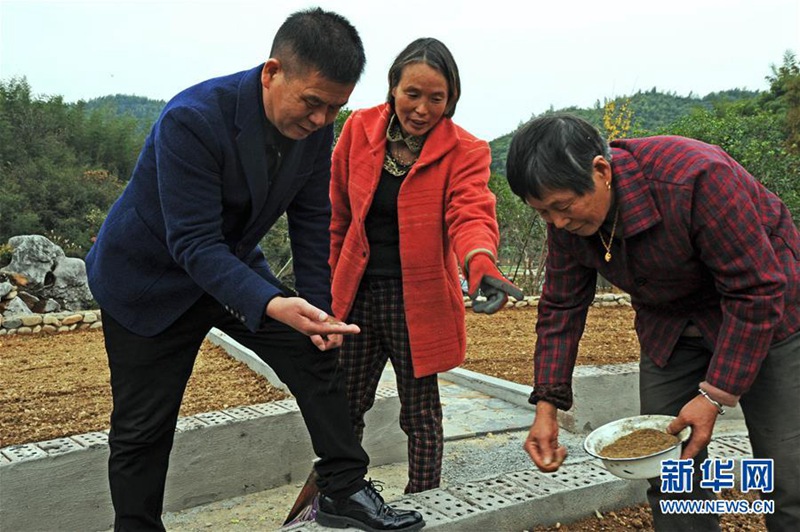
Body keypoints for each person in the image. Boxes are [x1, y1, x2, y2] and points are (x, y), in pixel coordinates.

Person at [85, 8, 424, 532]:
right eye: (312, 102)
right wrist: (270, 302)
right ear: (272, 73)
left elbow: (312, 222)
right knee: (142, 428)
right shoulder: (192, 119)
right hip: (147, 282)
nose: (320, 120)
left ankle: (343, 489)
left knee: (313, 351)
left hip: (229, 263)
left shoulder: (315, 131)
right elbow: (192, 242)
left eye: (335, 108)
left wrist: (320, 310)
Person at [506, 114, 799, 531]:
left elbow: (757, 289)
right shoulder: (567, 222)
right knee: (669, 471)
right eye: (543, 213)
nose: (557, 223)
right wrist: (547, 406)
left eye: (563, 207)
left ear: (601, 171)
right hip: (671, 327)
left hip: (768, 318)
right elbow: (560, 306)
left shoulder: (698, 178)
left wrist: (714, 396)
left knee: (788, 469)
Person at [329, 38, 523, 494]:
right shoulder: (359, 129)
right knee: (344, 404)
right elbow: (336, 211)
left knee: (419, 412)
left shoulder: (465, 151)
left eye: (436, 98)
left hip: (415, 300)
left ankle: (426, 499)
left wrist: (481, 263)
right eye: (412, 94)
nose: (422, 108)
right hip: (355, 294)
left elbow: (470, 212)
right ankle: (342, 491)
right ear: (392, 88)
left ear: (451, 99)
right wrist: (324, 287)